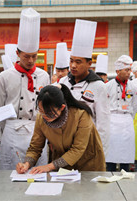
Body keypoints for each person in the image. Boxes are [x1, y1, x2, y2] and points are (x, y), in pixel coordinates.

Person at [0, 8, 49, 170]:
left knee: (37, 175)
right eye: (26, 56)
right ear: (18, 53)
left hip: (36, 132)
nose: (31, 60)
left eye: (34, 56)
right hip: (11, 131)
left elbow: (45, 110)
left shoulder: (44, 76)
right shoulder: (5, 76)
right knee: (9, 177)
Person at [16, 84, 106, 173]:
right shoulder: (41, 118)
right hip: (62, 164)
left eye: (50, 113)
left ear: (62, 107)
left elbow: (78, 149)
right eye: (41, 111)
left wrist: (49, 166)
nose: (45, 116)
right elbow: (35, 147)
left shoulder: (81, 115)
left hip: (88, 163)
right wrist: (27, 164)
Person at [59, 19, 110, 157]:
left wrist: (100, 151)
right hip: (64, 144)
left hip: (87, 145)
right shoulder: (63, 82)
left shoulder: (98, 86)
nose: (73, 66)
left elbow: (103, 123)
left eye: (78, 62)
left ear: (89, 64)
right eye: (71, 60)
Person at [105, 55, 137, 172]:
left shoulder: (133, 87)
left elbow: (135, 105)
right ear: (118, 71)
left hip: (126, 121)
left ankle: (125, 174)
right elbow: (104, 105)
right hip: (112, 120)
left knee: (126, 153)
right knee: (111, 154)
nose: (129, 73)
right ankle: (110, 174)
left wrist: (129, 118)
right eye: (126, 70)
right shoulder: (107, 86)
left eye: (130, 70)